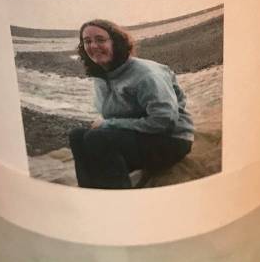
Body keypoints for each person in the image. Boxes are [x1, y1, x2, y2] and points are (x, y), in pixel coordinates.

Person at [68, 19, 194, 189]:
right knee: (77, 135)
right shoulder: (102, 74)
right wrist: (108, 124)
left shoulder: (146, 75)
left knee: (97, 138)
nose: (93, 46)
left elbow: (164, 121)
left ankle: (120, 196)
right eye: (87, 41)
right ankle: (89, 191)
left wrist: (109, 124)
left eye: (100, 40)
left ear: (116, 42)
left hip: (171, 140)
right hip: (138, 136)